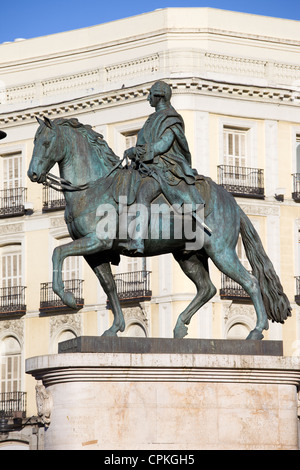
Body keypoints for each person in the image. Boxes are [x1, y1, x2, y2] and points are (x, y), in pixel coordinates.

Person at [124, 81, 208, 254]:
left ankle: (138, 239)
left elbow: (163, 145)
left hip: (164, 166)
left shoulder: (171, 118)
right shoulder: (152, 118)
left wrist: (137, 152)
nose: (148, 98)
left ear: (159, 96)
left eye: (150, 95)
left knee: (144, 193)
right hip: (145, 166)